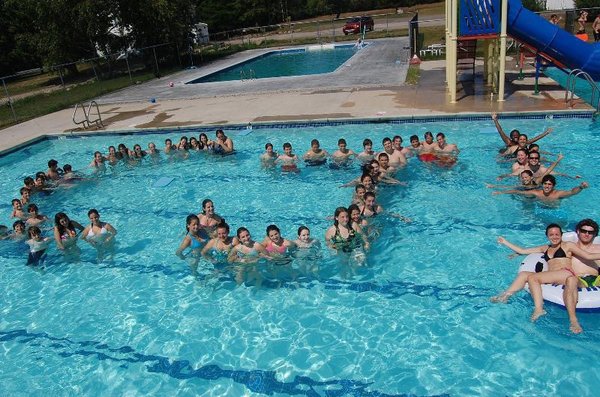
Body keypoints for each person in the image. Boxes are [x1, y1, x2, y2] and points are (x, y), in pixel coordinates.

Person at [495, 224, 600, 325]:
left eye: (557, 234)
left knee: (533, 278)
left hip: (565, 273)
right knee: (523, 274)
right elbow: (523, 251)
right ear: (547, 236)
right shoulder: (545, 248)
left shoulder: (567, 245)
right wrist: (505, 242)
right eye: (551, 235)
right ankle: (505, 296)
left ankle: (539, 309)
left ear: (561, 235)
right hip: (552, 274)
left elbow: (588, 256)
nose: (554, 237)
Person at [562, 219, 600, 333]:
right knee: (571, 280)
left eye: (590, 232)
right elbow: (547, 249)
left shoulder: (599, 248)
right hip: (578, 280)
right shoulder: (569, 247)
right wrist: (520, 252)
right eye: (584, 231)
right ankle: (573, 320)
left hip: (597, 279)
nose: (586, 234)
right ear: (578, 231)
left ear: (594, 235)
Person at [496, 175, 588, 202]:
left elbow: (572, 192)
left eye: (549, 184)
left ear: (553, 186)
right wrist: (501, 193)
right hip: (540, 209)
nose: (547, 186)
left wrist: (580, 187)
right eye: (545, 184)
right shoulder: (537, 192)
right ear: (542, 184)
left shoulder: (558, 194)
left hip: (555, 211)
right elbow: (517, 191)